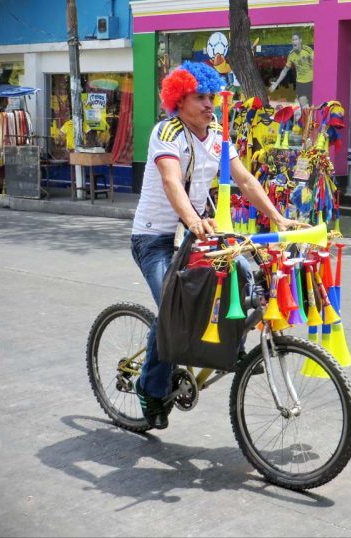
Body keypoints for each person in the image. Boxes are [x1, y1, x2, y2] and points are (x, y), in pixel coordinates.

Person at [132, 61, 304, 430]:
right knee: (173, 308)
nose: (210, 105)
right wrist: (193, 220)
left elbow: (246, 181)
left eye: (212, 97)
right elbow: (171, 182)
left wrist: (278, 217)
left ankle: (228, 348)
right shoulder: (167, 132)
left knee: (245, 277)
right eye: (201, 97)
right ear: (179, 100)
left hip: (199, 233)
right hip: (155, 238)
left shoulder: (216, 138)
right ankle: (150, 386)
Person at [269, 33, 314, 109]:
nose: (293, 41)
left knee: (311, 106)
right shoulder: (291, 55)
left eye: (296, 39)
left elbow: (318, 63)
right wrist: (276, 83)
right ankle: (305, 120)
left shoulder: (308, 50)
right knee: (304, 107)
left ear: (300, 40)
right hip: (300, 83)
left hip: (311, 82)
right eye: (292, 40)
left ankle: (311, 119)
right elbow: (284, 71)